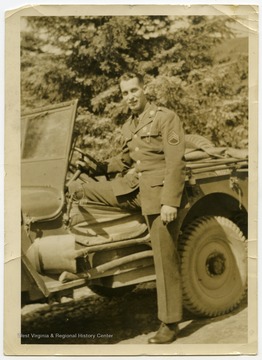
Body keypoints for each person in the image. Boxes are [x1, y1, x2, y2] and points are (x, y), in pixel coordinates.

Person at [69, 72, 186, 344]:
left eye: (134, 90)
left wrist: (170, 201)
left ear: (144, 89)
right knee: (82, 189)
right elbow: (123, 160)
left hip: (158, 199)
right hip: (136, 192)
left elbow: (176, 162)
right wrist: (98, 167)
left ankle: (170, 323)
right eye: (125, 93)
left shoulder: (164, 117)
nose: (130, 97)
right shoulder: (128, 126)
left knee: (164, 258)